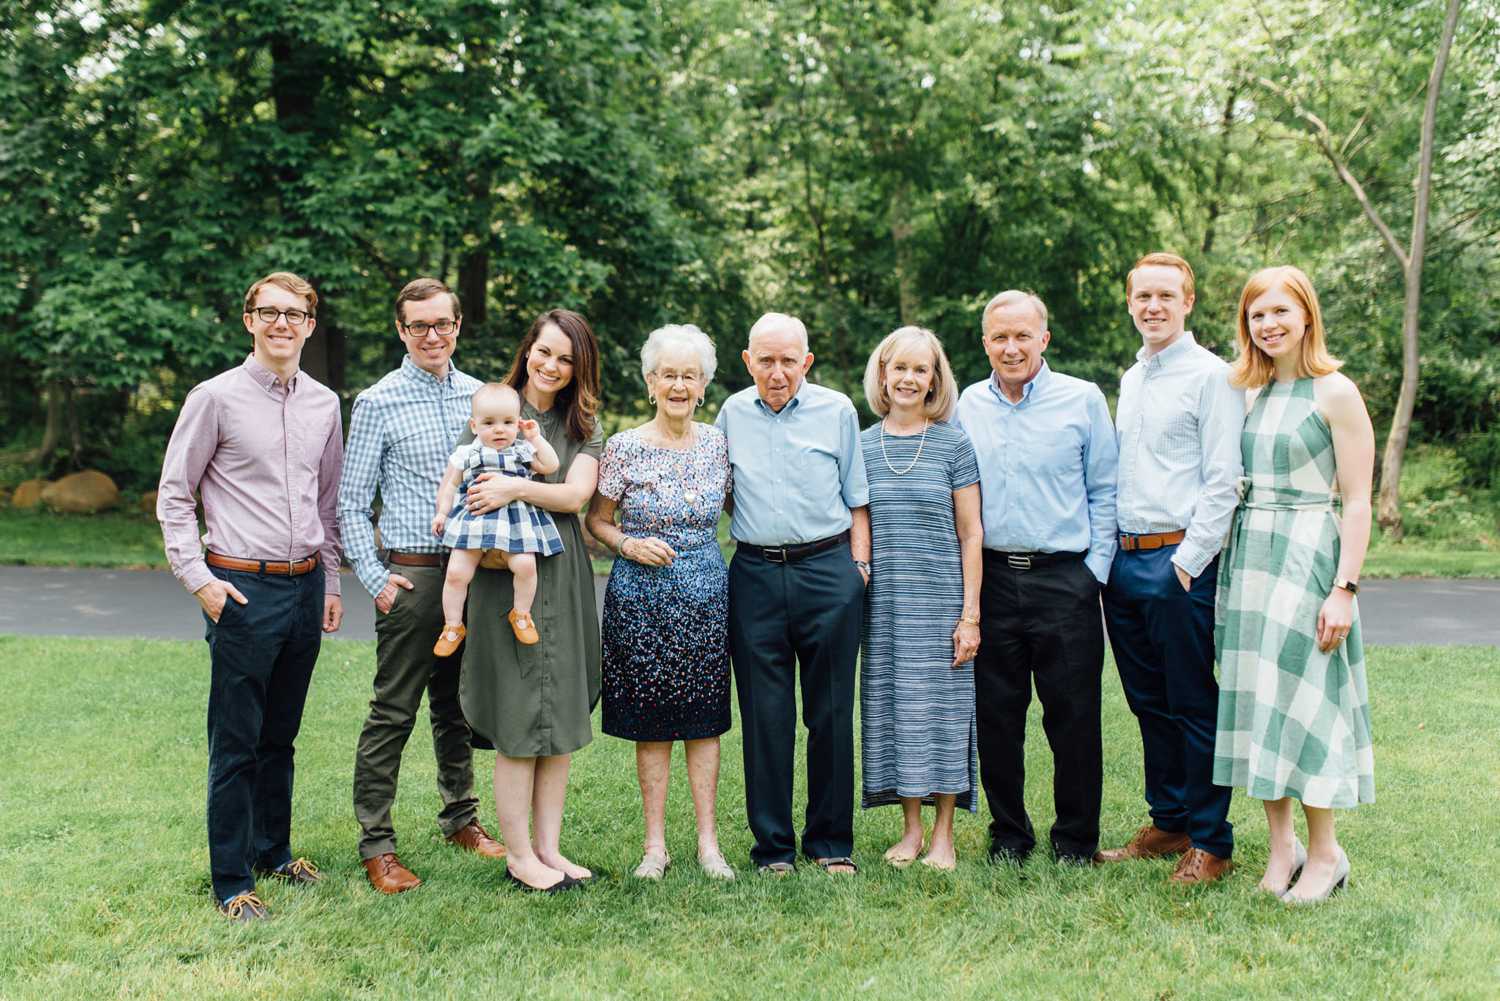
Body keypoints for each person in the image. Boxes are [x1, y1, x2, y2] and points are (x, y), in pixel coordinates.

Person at [157, 271, 344, 921]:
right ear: (249, 320)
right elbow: (175, 495)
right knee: (236, 739)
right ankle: (232, 880)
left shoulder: (325, 403)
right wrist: (200, 581)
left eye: (295, 314)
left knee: (281, 734)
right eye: (269, 312)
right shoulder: (215, 398)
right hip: (240, 586)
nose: (282, 323)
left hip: (305, 584)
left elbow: (328, 501)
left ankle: (274, 848)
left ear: (310, 325)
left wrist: (333, 581)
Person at [338, 278, 505, 896]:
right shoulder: (378, 401)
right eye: (418, 326)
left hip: (477, 574)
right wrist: (377, 580)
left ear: (457, 326)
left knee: (457, 707)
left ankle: (461, 819)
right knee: (393, 711)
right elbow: (351, 504)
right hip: (412, 578)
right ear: (401, 331)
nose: (432, 336)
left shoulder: (480, 398)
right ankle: (377, 845)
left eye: (443, 324)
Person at [1214, 265, 1375, 903]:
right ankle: (1283, 849)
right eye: (1257, 315)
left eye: (1281, 311)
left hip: (1309, 553)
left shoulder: (1334, 392)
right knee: (1259, 700)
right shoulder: (1248, 394)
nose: (1269, 324)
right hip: (1250, 554)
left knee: (1305, 697)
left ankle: (1327, 852)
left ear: (1307, 315)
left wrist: (1346, 588)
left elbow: (1358, 501)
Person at [954, 290, 1118, 866]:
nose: (1011, 347)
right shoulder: (966, 404)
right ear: (985, 344)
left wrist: (1092, 574)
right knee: (997, 717)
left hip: (1065, 579)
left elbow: (1105, 490)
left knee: (1073, 717)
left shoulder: (1083, 399)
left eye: (1023, 335)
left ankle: (1075, 839)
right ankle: (1009, 836)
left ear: (1044, 339)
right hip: (993, 579)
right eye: (1000, 337)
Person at [1096, 253, 1244, 885]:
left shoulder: (1213, 376)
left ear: (1188, 302)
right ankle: (1170, 820)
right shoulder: (1134, 378)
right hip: (1124, 563)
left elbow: (1223, 479)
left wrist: (1187, 564)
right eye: (1141, 296)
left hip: (1179, 562)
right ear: (1129, 303)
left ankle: (1212, 841)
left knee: (1190, 704)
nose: (1152, 306)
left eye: (1165, 295)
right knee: (1147, 704)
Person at [716, 312, 871, 876]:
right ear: (748, 361)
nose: (777, 372)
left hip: (829, 570)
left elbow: (858, 496)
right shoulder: (731, 412)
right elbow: (725, 490)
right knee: (765, 715)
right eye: (766, 360)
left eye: (788, 361)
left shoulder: (837, 410)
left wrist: (858, 566)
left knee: (830, 713)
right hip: (755, 574)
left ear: (806, 362)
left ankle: (831, 843)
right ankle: (773, 849)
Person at [459, 308, 604, 893]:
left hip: (564, 572)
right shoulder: (493, 411)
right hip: (505, 574)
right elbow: (470, 491)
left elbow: (574, 498)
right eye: (545, 352)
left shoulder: (584, 425)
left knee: (560, 709)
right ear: (528, 351)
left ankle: (548, 848)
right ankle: (519, 855)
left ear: (578, 369)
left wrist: (518, 487)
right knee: (521, 712)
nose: (552, 365)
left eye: (566, 359)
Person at [585, 324, 736, 882]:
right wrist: (626, 542)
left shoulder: (720, 443)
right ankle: (655, 846)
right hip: (639, 596)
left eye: (688, 376)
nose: (678, 384)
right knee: (651, 724)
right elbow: (595, 520)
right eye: (668, 374)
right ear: (651, 382)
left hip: (705, 596)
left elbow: (741, 507)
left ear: (703, 387)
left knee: (704, 721)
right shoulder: (623, 447)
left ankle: (708, 844)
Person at [857, 326, 982, 871]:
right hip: (884, 606)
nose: (909, 378)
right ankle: (910, 831)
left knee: (945, 715)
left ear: (935, 379)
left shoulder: (954, 443)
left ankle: (944, 834)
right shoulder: (859, 445)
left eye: (920, 369)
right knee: (896, 714)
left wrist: (970, 615)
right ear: (883, 373)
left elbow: (972, 533)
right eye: (899, 368)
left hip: (941, 602)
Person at [432, 383, 563, 653]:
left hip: (514, 523)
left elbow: (550, 466)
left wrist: (535, 438)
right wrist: (442, 512)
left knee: (526, 566)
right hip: (474, 520)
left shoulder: (522, 450)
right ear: (474, 425)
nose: (499, 429)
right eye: (489, 422)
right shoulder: (466, 453)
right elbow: (449, 486)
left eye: (507, 422)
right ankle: (453, 625)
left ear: (518, 423)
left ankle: (522, 614)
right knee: (456, 573)